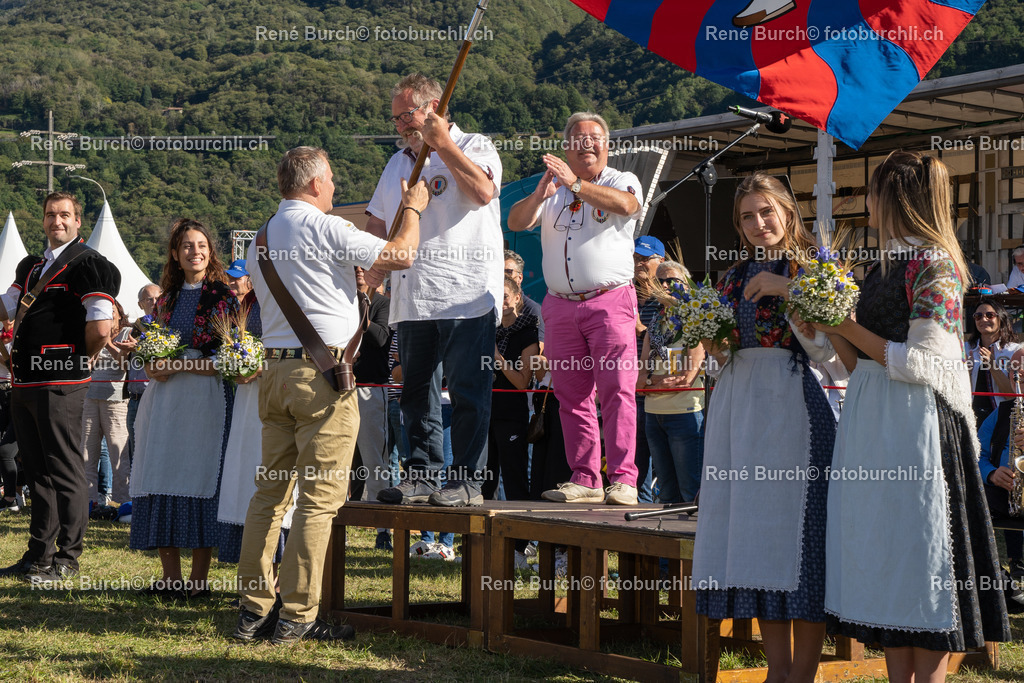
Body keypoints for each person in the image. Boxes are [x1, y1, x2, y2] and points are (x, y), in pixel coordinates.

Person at [806, 151, 1010, 682]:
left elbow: (923, 362)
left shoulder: (937, 266)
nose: (866, 203)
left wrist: (847, 325)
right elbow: (859, 365)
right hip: (875, 424)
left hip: (919, 429)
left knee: (922, 559)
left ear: (892, 198)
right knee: (887, 554)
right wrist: (827, 325)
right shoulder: (882, 266)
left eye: (872, 192)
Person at [235, 146, 424, 644]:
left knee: (270, 496)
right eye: (333, 180)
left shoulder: (260, 238)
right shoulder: (328, 226)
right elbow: (402, 254)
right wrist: (414, 208)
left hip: (274, 373)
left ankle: (253, 610)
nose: (335, 189)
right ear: (316, 183)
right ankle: (298, 614)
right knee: (318, 501)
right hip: (321, 377)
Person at [691, 173, 837, 682]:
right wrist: (711, 339)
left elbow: (828, 351)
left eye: (766, 212)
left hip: (795, 405)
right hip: (739, 409)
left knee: (802, 539)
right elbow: (724, 352)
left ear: (788, 212)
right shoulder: (729, 278)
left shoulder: (815, 269)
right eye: (748, 216)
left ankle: (804, 672)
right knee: (757, 538)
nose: (759, 224)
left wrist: (788, 288)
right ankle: (779, 672)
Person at [368, 73, 503, 508]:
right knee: (416, 393)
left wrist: (443, 144)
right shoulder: (397, 164)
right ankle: (423, 474)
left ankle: (466, 480)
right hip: (411, 296)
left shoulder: (476, 145)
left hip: (466, 293)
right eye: (395, 119)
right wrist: (369, 267)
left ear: (432, 109)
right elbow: (376, 224)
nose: (401, 126)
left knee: (467, 390)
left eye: (407, 115)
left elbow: (483, 191)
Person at [507, 111, 643, 506]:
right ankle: (586, 477)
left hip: (609, 301)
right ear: (566, 147)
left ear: (606, 145)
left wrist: (577, 184)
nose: (587, 145)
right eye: (579, 140)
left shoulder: (618, 179)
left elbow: (628, 205)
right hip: (561, 306)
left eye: (595, 139)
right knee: (571, 395)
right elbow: (516, 221)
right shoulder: (553, 188)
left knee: (618, 390)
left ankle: (624, 479)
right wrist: (539, 195)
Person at [0, 191, 120, 582]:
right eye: (51, 215)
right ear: (44, 220)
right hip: (26, 381)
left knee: (65, 471)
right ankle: (39, 555)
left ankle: (67, 558)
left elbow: (101, 326)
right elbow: (6, 305)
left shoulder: (89, 264)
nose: (57, 221)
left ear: (78, 221)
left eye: (65, 215)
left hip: (60, 382)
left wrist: (74, 361)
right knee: (36, 472)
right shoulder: (31, 266)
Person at [129, 218, 238, 599]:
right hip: (165, 404)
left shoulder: (223, 297)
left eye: (201, 245)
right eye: (187, 246)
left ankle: (198, 582)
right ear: (175, 255)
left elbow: (230, 359)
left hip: (206, 401)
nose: (195, 251)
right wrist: (150, 364)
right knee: (161, 472)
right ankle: (170, 578)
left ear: (211, 251)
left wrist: (179, 364)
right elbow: (151, 351)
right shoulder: (165, 301)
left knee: (201, 476)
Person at [635, 260, 705, 504]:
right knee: (666, 494)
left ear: (686, 285)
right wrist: (656, 382)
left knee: (690, 491)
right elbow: (639, 381)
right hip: (654, 417)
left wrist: (651, 383)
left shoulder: (696, 319)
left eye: (672, 281)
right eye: (660, 281)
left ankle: (691, 542)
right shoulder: (654, 324)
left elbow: (687, 377)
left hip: (684, 415)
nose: (665, 285)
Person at [82, 301, 133, 507]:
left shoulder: (128, 333)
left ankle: (123, 503)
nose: (108, 317)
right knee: (86, 452)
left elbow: (125, 365)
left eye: (111, 312)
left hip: (117, 400)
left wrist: (107, 342)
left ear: (119, 315)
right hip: (90, 396)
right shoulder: (91, 332)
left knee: (118, 452)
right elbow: (86, 365)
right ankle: (88, 502)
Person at [633, 235, 665, 504]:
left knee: (662, 460)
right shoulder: (626, 293)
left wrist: (638, 327)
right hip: (629, 387)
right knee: (634, 460)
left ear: (661, 261)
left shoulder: (669, 296)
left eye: (645, 258)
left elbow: (666, 341)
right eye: (635, 258)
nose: (639, 263)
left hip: (660, 388)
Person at [966, 301, 1020, 427]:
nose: (983, 319)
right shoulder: (965, 348)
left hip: (1002, 421)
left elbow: (1012, 395)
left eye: (989, 315)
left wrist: (992, 365)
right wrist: (965, 373)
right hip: (970, 419)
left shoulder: (1014, 351)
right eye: (978, 316)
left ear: (1001, 319)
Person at [125, 284, 161, 464]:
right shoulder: (135, 328)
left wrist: (138, 346)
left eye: (157, 298)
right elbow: (123, 361)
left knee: (156, 448)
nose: (154, 303)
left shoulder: (167, 326)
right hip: (136, 397)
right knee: (135, 450)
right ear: (140, 304)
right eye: (149, 299)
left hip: (158, 395)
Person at [503, 249, 544, 343]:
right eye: (499, 272)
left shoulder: (532, 310)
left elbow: (538, 348)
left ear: (520, 278)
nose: (504, 276)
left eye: (509, 272)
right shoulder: (490, 306)